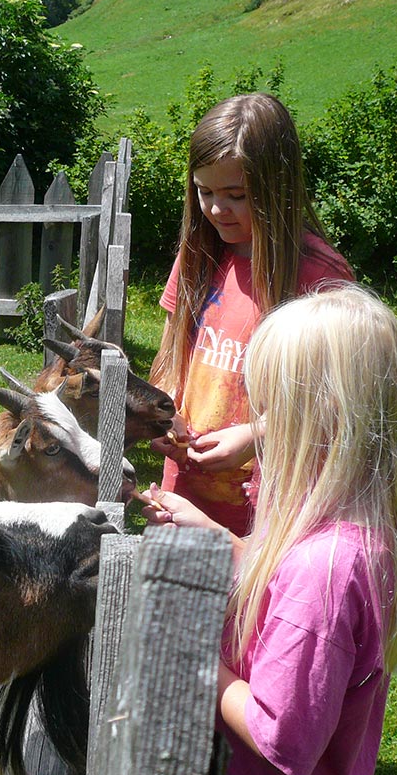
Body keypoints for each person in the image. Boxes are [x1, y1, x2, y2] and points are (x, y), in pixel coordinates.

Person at [141, 284, 397, 775]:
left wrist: (191, 657)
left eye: (273, 413)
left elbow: (282, 737)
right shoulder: (356, 531)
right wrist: (215, 534)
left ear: (326, 424)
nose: (257, 431)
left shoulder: (323, 573)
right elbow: (280, 579)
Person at [149, 93, 354, 537]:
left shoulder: (319, 275)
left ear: (277, 188)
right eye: (204, 191)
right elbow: (170, 356)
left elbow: (338, 397)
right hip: (183, 497)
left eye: (236, 195)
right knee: (176, 587)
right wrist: (162, 414)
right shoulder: (198, 255)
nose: (216, 209)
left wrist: (257, 434)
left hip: (272, 510)